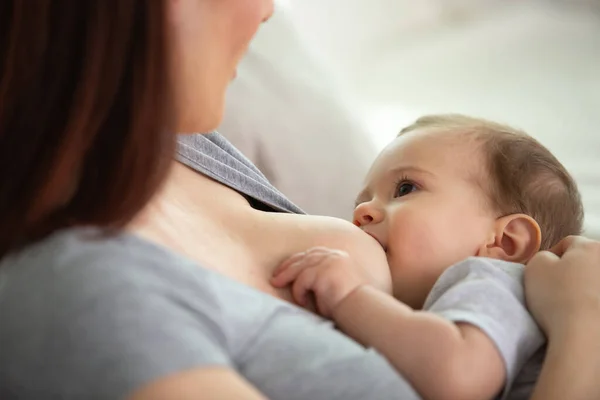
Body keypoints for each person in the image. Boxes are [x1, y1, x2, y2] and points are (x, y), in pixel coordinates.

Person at [0, 1, 599, 399]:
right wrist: (583, 333)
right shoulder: (83, 292)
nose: (266, 10)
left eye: (406, 189)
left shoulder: (179, 142)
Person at [271, 114, 585, 400]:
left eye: (405, 188)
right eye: (363, 200)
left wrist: (350, 296)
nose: (361, 211)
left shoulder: (497, 281)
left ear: (504, 242)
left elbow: (460, 376)